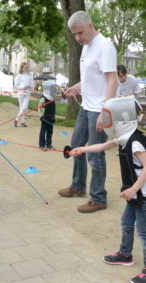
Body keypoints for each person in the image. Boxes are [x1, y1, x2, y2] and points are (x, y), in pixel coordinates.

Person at [69, 96, 146, 283]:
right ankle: (125, 254)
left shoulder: (136, 141)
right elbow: (102, 146)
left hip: (142, 195)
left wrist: (134, 188)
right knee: (126, 223)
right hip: (134, 193)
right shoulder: (122, 138)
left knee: (144, 233)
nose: (106, 122)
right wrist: (81, 148)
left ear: (122, 120)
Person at [58, 11, 118, 213]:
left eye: (80, 33)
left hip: (99, 110)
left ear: (90, 25)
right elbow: (91, 78)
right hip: (85, 107)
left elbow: (112, 80)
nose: (78, 38)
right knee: (75, 146)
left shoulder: (105, 46)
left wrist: (105, 111)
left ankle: (99, 198)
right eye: (74, 35)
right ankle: (78, 186)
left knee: (95, 155)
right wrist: (76, 87)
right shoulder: (85, 46)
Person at [38, 80, 56, 151]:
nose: (54, 89)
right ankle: (42, 145)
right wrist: (40, 116)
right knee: (43, 131)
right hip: (45, 118)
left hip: (51, 117)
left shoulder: (53, 97)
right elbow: (39, 108)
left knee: (50, 132)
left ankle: (49, 145)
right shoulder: (43, 98)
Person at [14, 62, 33, 127]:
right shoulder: (19, 76)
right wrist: (23, 87)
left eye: (27, 67)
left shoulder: (29, 76)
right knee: (21, 107)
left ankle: (16, 119)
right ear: (22, 68)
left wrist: (30, 86)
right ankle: (22, 122)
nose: (26, 68)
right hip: (21, 93)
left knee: (25, 107)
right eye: (25, 67)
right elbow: (16, 85)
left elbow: (32, 84)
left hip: (27, 93)